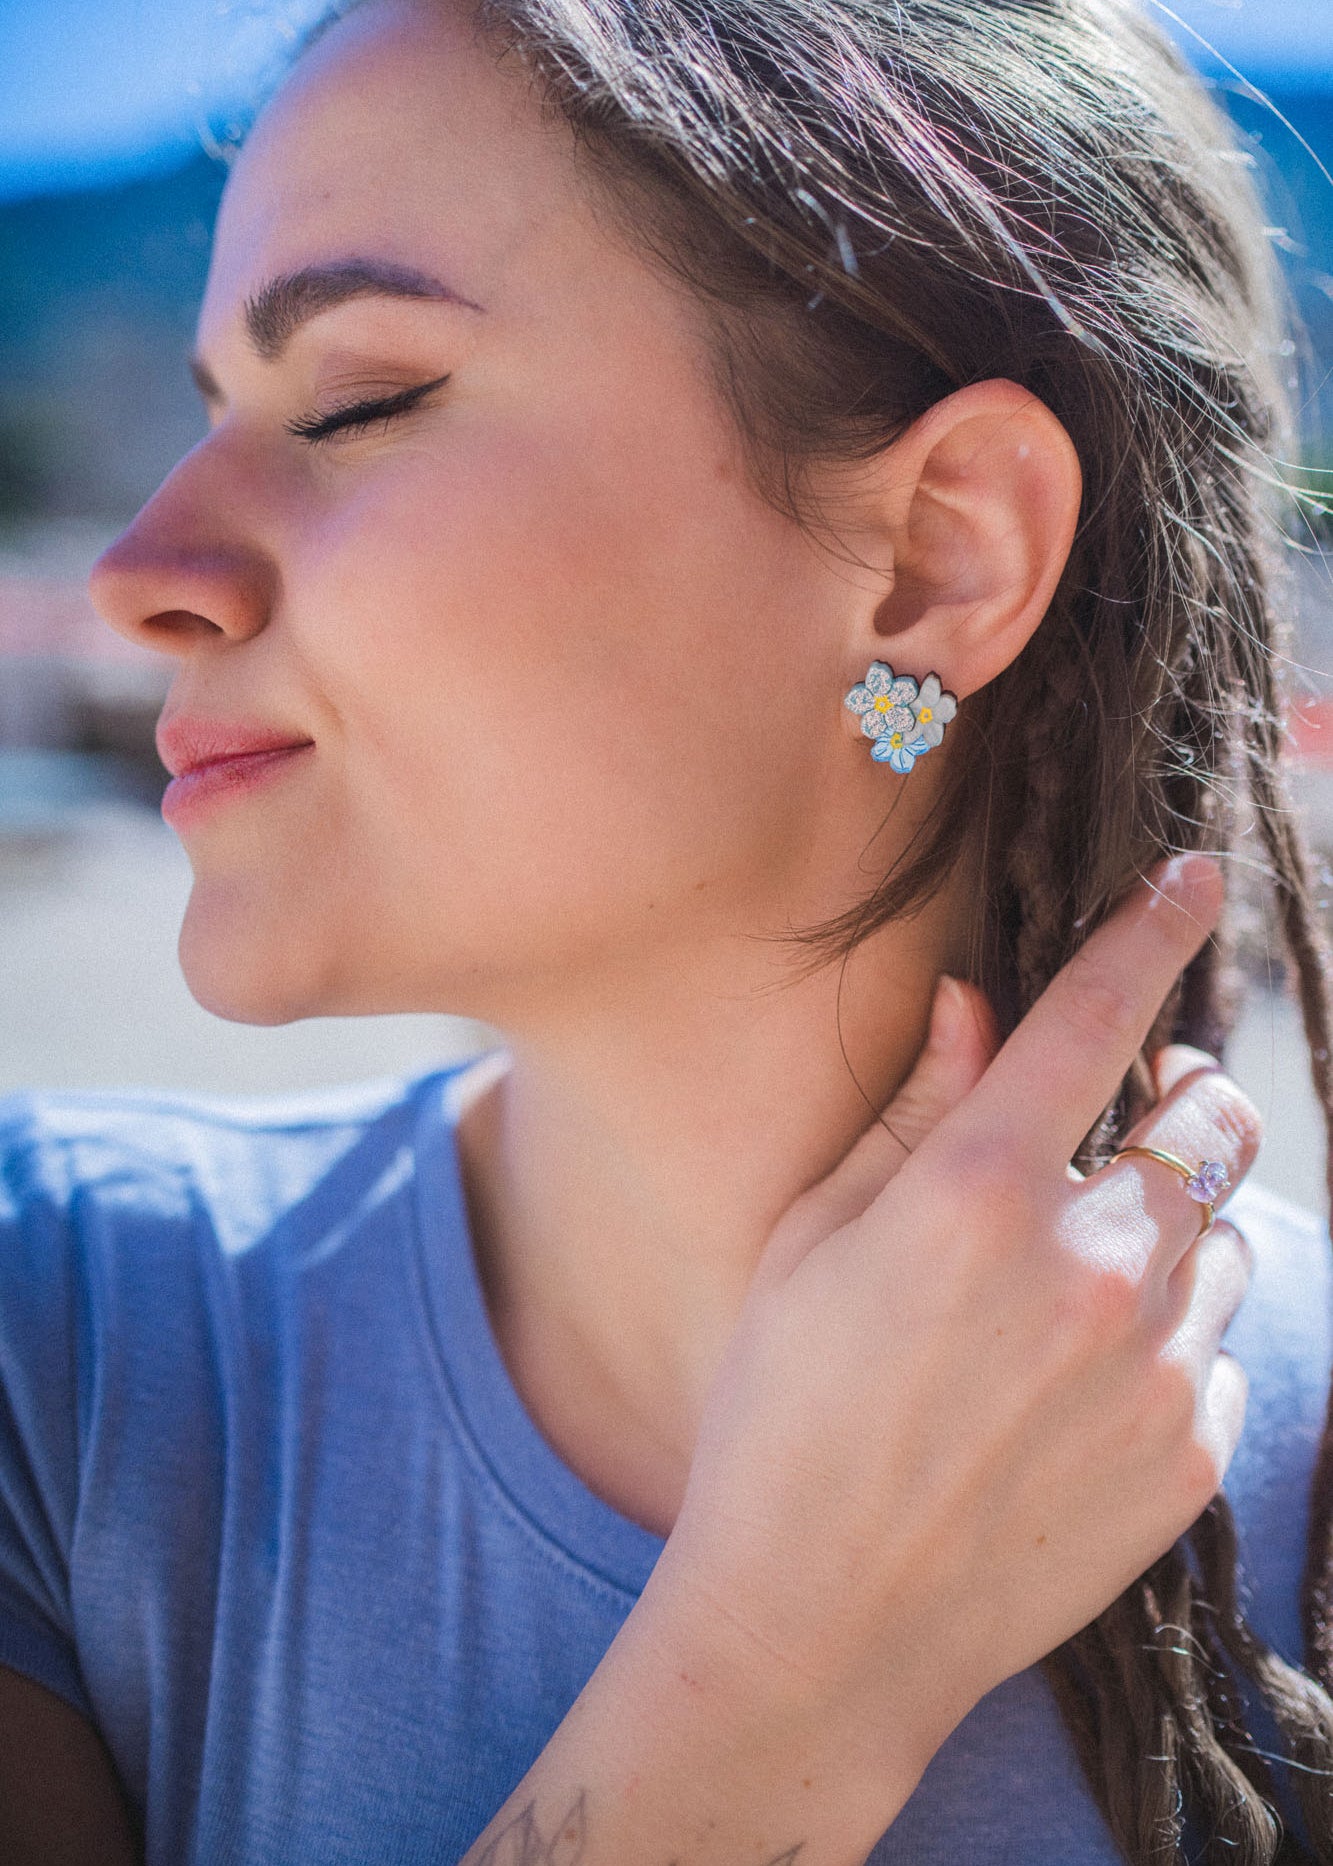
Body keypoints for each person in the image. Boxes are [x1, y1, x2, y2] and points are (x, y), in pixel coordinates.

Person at [2, 0, 1332, 1859]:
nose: (143, 569)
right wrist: (791, 1663)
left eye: (360, 398)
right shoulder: (51, 1340)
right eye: (213, 413)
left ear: (938, 551)